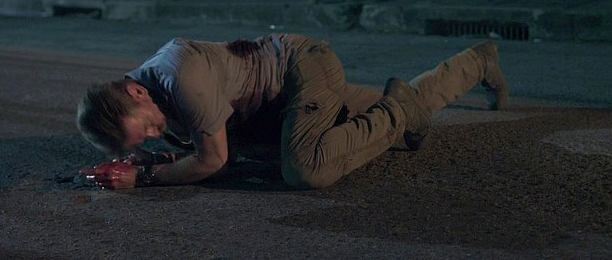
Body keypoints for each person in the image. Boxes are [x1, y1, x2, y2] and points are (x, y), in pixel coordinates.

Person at [77, 34, 508, 190]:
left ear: (137, 92)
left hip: (301, 69)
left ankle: (398, 109)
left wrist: (147, 177)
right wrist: (147, 158)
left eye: (147, 130)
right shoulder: (149, 99)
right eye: (144, 140)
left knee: (305, 169)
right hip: (272, 107)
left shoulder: (180, 76)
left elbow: (213, 159)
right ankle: (477, 62)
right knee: (362, 126)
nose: (155, 136)